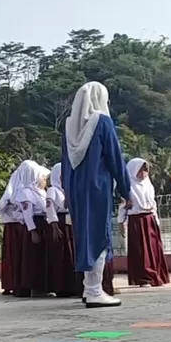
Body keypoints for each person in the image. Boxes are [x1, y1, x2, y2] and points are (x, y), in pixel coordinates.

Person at [61, 82, 131, 308]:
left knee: (84, 236)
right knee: (99, 236)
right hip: (97, 187)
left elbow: (64, 164)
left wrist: (67, 190)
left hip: (75, 188)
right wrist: (125, 189)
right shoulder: (103, 121)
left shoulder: (69, 126)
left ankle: (87, 287)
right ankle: (94, 290)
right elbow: (115, 158)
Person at [118, 158, 170, 288]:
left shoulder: (148, 185)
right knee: (141, 251)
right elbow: (123, 206)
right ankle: (144, 278)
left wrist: (156, 221)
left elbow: (153, 204)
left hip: (150, 219)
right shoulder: (128, 186)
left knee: (154, 248)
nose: (143, 173)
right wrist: (121, 223)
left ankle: (157, 276)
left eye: (145, 170)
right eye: (140, 170)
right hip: (136, 220)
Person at [14, 160, 54, 298]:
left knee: (42, 257)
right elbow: (27, 214)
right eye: (42, 177)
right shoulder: (26, 193)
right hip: (35, 225)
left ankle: (44, 286)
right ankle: (36, 288)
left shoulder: (39, 192)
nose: (44, 180)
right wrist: (33, 231)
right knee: (34, 258)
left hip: (42, 224)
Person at [45, 163, 80, 298]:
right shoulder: (53, 190)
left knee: (71, 254)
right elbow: (50, 208)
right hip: (59, 224)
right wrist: (53, 224)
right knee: (61, 255)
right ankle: (61, 287)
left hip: (70, 223)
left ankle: (73, 285)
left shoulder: (69, 189)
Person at [0, 165, 25, 296]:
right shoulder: (15, 193)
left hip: (18, 226)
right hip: (15, 226)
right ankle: (12, 283)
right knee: (14, 255)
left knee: (15, 255)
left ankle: (14, 283)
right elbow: (1, 207)